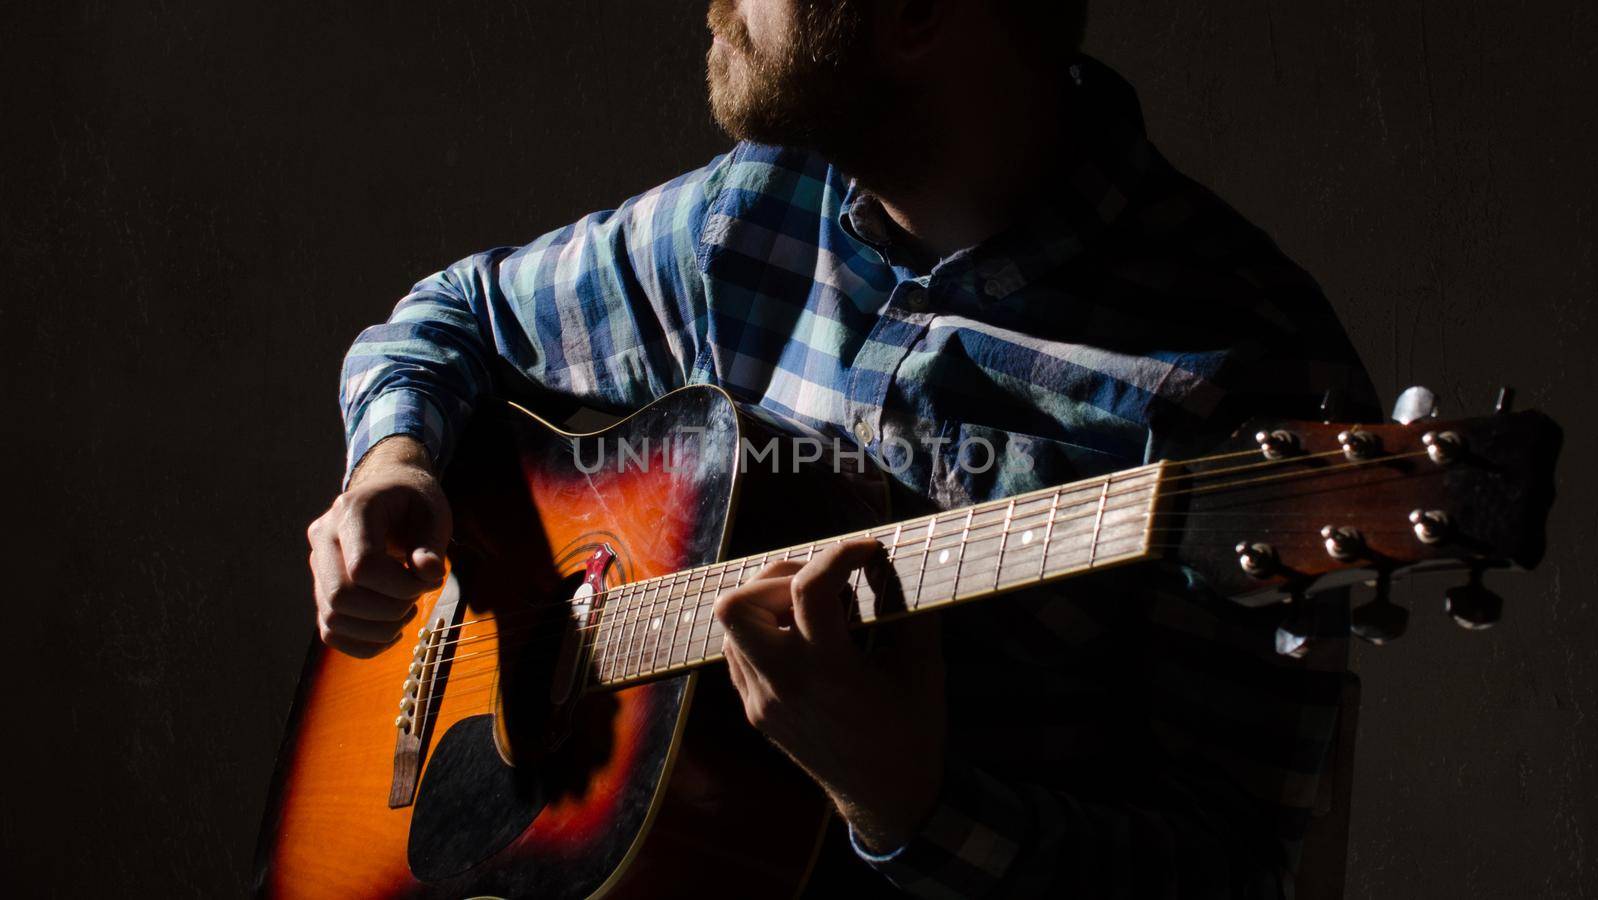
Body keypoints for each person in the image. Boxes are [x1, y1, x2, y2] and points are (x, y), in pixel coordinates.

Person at [306, 1, 1378, 895]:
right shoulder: (754, 210)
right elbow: (447, 319)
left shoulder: (1244, 372)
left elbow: (1229, 874)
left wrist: (913, 806)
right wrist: (392, 463)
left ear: (910, 14)